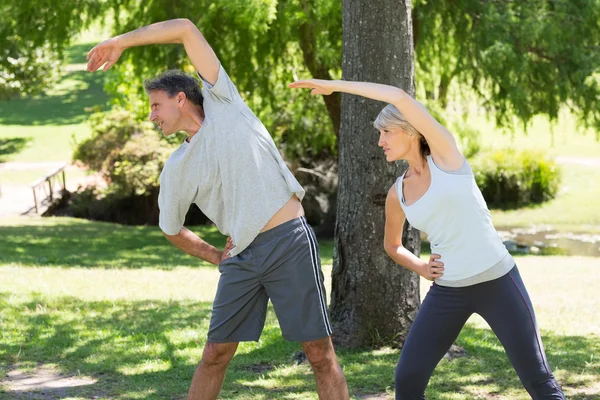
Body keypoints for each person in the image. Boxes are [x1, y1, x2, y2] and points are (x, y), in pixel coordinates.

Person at [87, 19, 349, 400]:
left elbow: (184, 28)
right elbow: (171, 228)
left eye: (155, 105)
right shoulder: (177, 166)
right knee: (215, 354)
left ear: (181, 98)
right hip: (241, 256)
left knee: (318, 354)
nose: (151, 116)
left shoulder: (223, 101)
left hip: (288, 241)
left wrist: (121, 42)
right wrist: (215, 255)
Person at [289, 78, 565, 400]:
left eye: (386, 132)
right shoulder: (398, 194)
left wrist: (333, 86)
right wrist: (420, 266)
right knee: (407, 381)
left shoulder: (447, 157)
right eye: (379, 134)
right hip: (448, 292)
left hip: (499, 282)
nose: (380, 141)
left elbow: (398, 96)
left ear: (412, 131)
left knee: (538, 380)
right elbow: (392, 245)